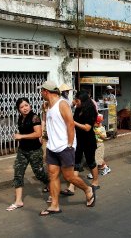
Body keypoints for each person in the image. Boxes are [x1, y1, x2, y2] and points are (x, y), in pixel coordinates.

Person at [39, 81, 95, 216]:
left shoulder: (62, 104)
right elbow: (49, 123)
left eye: (41, 91)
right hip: (52, 147)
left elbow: (70, 124)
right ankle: (54, 205)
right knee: (53, 175)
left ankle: (88, 189)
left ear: (46, 91)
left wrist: (70, 145)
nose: (40, 93)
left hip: (65, 146)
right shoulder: (47, 106)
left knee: (69, 177)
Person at [6, 97, 50, 211]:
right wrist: (19, 137)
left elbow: (38, 133)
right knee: (18, 173)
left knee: (39, 174)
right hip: (22, 151)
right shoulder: (21, 118)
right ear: (18, 109)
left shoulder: (34, 117)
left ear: (30, 105)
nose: (24, 108)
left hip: (34, 151)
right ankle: (18, 201)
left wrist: (21, 136)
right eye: (21, 107)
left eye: (26, 105)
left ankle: (51, 185)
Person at [64, 90, 99, 194]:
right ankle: (71, 187)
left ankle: (96, 181)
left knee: (90, 161)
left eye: (77, 100)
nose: (75, 101)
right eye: (75, 99)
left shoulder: (91, 110)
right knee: (76, 162)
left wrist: (73, 122)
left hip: (88, 139)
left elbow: (87, 128)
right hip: (78, 139)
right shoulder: (78, 108)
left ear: (83, 100)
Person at [88, 114, 111, 179]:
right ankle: (104, 168)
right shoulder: (94, 128)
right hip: (94, 145)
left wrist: (99, 134)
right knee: (97, 158)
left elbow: (105, 138)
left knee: (97, 159)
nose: (93, 124)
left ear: (98, 123)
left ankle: (97, 171)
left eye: (94, 123)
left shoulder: (102, 129)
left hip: (100, 145)